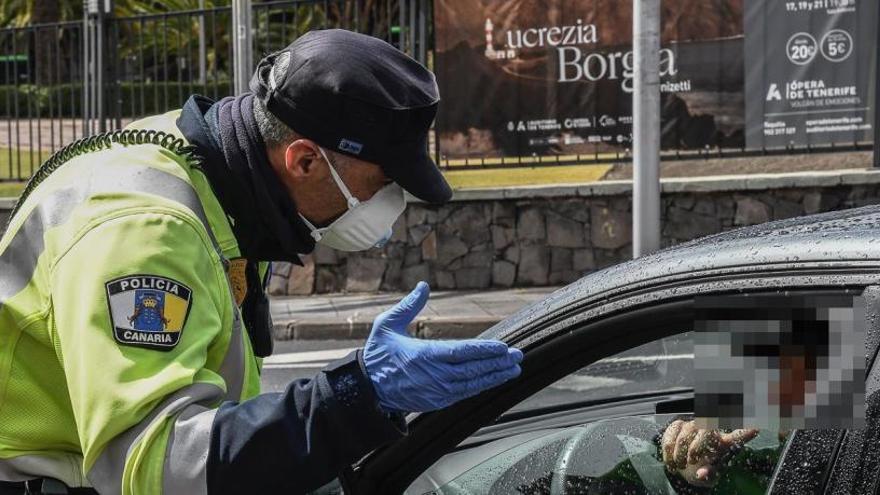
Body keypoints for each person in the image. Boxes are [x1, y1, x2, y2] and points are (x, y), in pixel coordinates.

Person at [0, 30, 522, 495]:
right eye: (384, 183)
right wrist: (354, 397)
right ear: (304, 160)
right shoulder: (146, 234)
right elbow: (155, 467)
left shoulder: (229, 189)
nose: (392, 203)